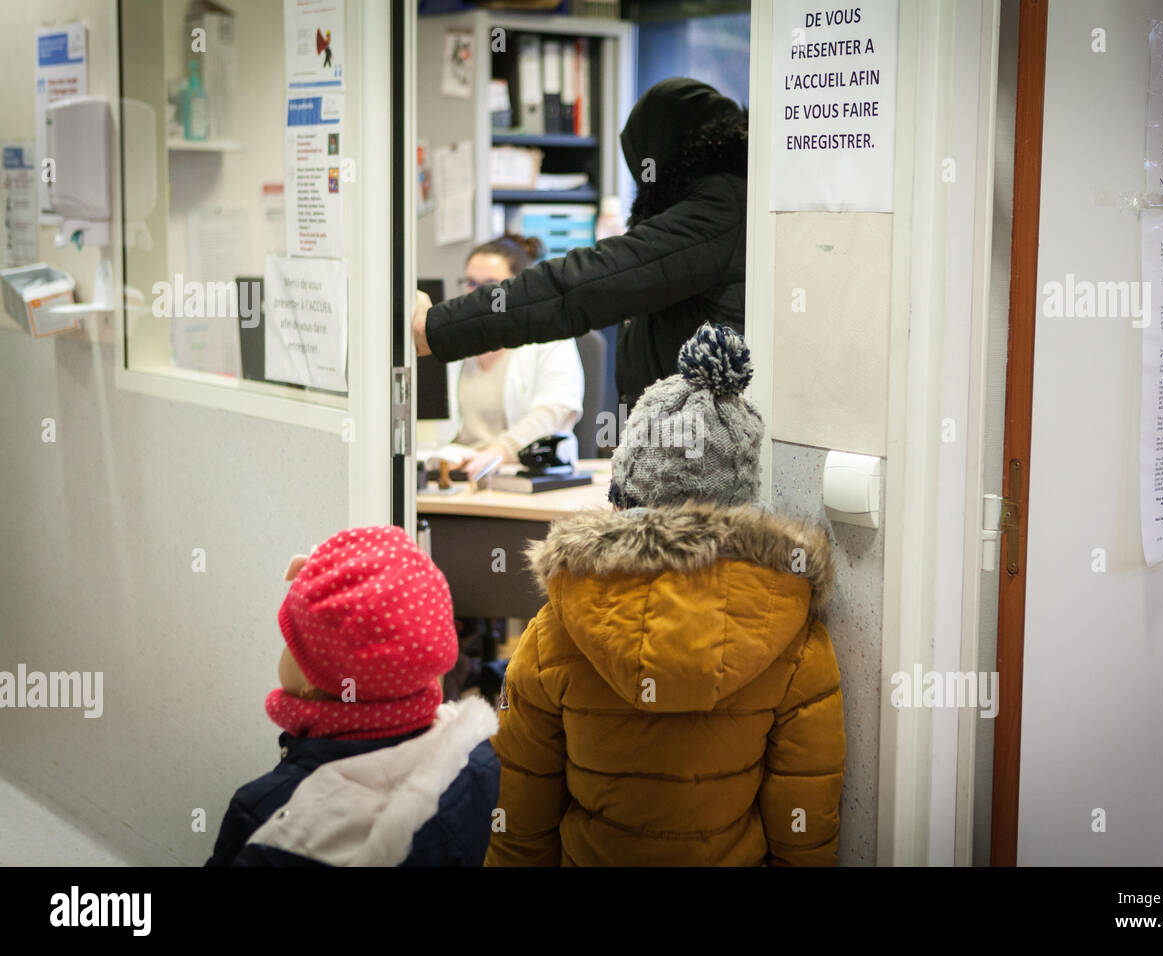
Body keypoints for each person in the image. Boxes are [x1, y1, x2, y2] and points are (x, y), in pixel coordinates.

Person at [485, 324, 846, 866]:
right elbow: (804, 825)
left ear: (625, 491)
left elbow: (520, 817)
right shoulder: (793, 630)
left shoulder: (555, 628)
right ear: (742, 500)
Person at [412, 77, 748, 413]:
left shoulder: (720, 209)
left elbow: (576, 289)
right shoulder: (730, 207)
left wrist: (438, 327)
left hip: (702, 456)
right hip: (683, 450)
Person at [205, 525, 500, 867]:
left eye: (291, 640)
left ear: (311, 685)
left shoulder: (266, 813)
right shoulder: (475, 762)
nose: (285, 649)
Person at [441, 234, 584, 478]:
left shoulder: (550, 336)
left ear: (518, 288)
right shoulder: (454, 341)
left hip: (523, 473)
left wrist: (498, 452)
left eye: (491, 285)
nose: (479, 295)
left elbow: (554, 411)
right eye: (471, 283)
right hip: (460, 476)